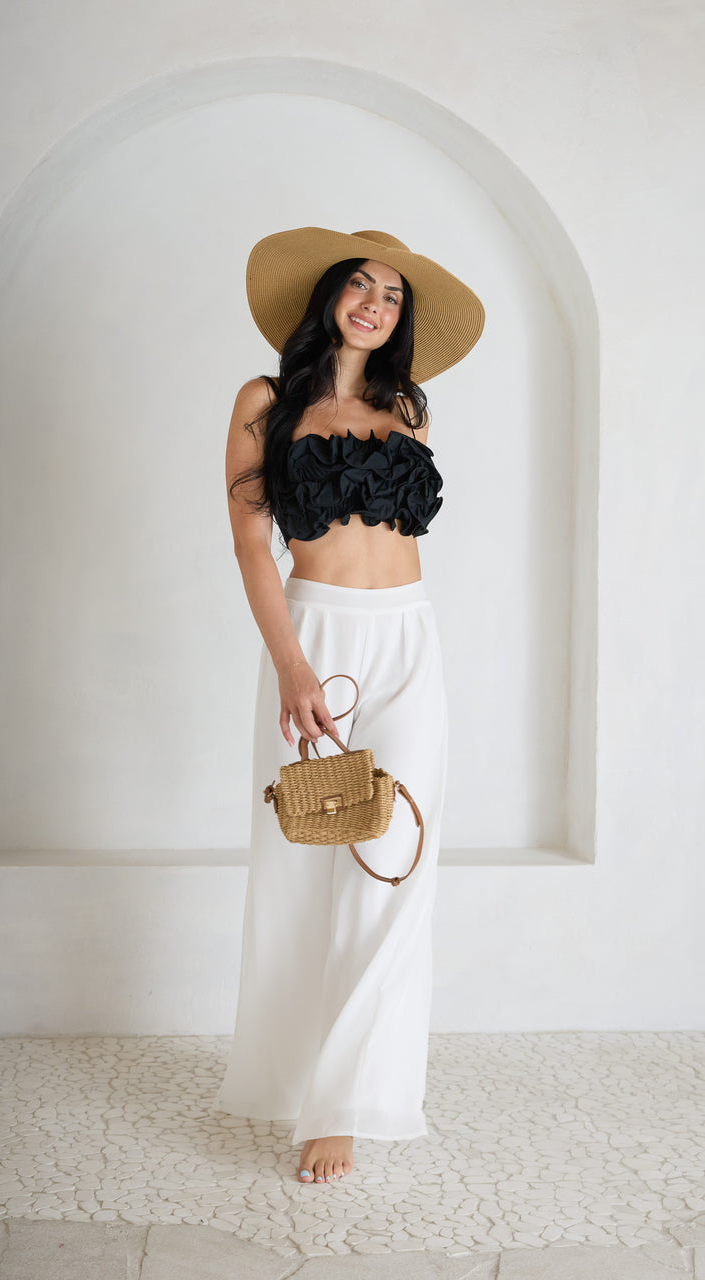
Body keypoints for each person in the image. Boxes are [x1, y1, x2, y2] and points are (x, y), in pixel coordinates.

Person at [215, 227, 485, 1184]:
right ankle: (296, 1079)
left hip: (410, 637)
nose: (376, 304)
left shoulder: (409, 407)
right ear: (331, 294)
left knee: (394, 859)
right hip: (315, 636)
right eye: (361, 285)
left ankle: (348, 1104)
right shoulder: (265, 401)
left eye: (393, 295)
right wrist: (291, 666)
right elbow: (251, 544)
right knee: (307, 859)